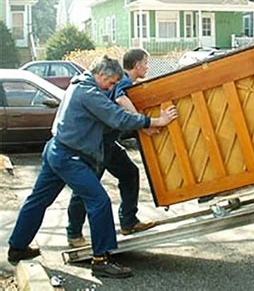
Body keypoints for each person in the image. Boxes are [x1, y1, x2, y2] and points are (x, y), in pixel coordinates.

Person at [7, 56, 178, 278]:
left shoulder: (79, 82)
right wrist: (156, 121)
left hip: (56, 149)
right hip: (70, 156)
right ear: (101, 75)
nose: (113, 87)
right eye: (112, 82)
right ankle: (101, 259)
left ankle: (17, 247)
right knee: (99, 201)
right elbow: (118, 117)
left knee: (38, 200)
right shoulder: (89, 94)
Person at [66, 48, 159, 248]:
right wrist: (144, 125)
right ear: (136, 65)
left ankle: (128, 221)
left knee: (129, 173)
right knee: (87, 188)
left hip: (109, 143)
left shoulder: (124, 80)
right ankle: (73, 232)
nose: (147, 67)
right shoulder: (123, 80)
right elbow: (120, 99)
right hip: (99, 144)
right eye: (145, 63)